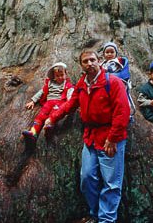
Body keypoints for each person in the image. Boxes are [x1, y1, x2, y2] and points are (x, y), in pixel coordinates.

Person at [45, 49, 130, 223]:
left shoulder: (112, 82)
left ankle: (106, 220)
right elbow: (70, 104)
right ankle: (96, 214)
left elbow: (122, 112)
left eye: (92, 60)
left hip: (110, 137)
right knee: (87, 179)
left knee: (111, 184)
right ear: (81, 65)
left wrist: (112, 138)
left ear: (99, 61)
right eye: (85, 61)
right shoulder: (82, 84)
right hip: (90, 138)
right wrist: (52, 118)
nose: (89, 63)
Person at [21, 62, 74, 144]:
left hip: (59, 103)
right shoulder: (50, 84)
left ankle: (49, 129)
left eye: (62, 75)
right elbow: (41, 92)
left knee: (53, 115)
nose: (60, 77)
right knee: (41, 116)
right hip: (48, 102)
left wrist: (70, 102)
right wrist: (33, 101)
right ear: (54, 76)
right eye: (57, 76)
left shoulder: (67, 85)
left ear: (65, 74)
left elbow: (70, 94)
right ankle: (33, 132)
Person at [101, 42, 135, 122]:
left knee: (124, 101)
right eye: (107, 52)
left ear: (116, 53)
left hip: (119, 84)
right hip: (106, 85)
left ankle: (127, 114)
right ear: (103, 54)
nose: (109, 54)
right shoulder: (102, 64)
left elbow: (123, 74)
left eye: (112, 52)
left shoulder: (118, 63)